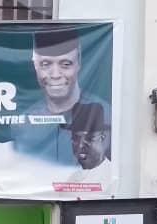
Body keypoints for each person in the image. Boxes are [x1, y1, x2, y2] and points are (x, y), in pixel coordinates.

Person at [12, 29, 110, 166]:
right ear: (35, 64)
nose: (56, 74)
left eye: (65, 64)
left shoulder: (107, 116)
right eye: (46, 64)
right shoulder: (24, 123)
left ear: (79, 61)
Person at [64, 102, 111, 171]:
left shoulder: (109, 173)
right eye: (75, 139)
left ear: (102, 138)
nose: (80, 146)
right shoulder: (70, 174)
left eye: (89, 139)